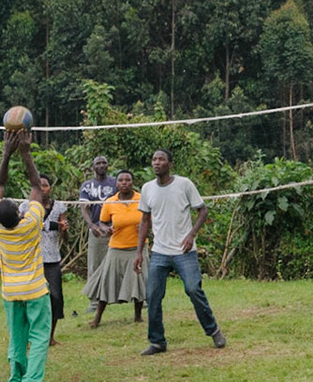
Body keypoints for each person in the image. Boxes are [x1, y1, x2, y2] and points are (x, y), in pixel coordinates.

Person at [136, 148, 224, 355]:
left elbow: (202, 210)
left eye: (161, 159)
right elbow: (144, 221)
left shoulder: (184, 184)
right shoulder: (147, 188)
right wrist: (139, 252)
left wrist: (191, 235)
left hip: (184, 251)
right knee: (153, 296)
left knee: (193, 289)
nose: (156, 162)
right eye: (154, 159)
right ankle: (157, 342)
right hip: (159, 252)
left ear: (170, 164)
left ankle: (214, 331)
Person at [0, 127, 51, 382]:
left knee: (17, 340)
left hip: (11, 292)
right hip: (36, 290)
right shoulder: (31, 222)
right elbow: (37, 188)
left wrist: (6, 154)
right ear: (19, 214)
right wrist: (25, 153)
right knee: (39, 337)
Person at [86, 169, 143, 328]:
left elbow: (151, 219)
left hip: (137, 248)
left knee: (137, 280)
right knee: (106, 281)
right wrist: (105, 229)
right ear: (116, 184)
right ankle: (97, 318)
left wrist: (146, 227)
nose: (124, 183)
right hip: (116, 247)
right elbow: (102, 222)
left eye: (128, 180)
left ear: (132, 182)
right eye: (121, 180)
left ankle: (138, 316)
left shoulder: (141, 199)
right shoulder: (110, 202)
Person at [38, 176, 72, 346]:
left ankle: (50, 336)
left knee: (56, 297)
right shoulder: (26, 206)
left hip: (52, 259)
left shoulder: (59, 207)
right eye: (39, 185)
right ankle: (33, 336)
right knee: (33, 300)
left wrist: (64, 229)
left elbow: (65, 239)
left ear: (50, 188)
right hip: (33, 260)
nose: (42, 188)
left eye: (45, 185)